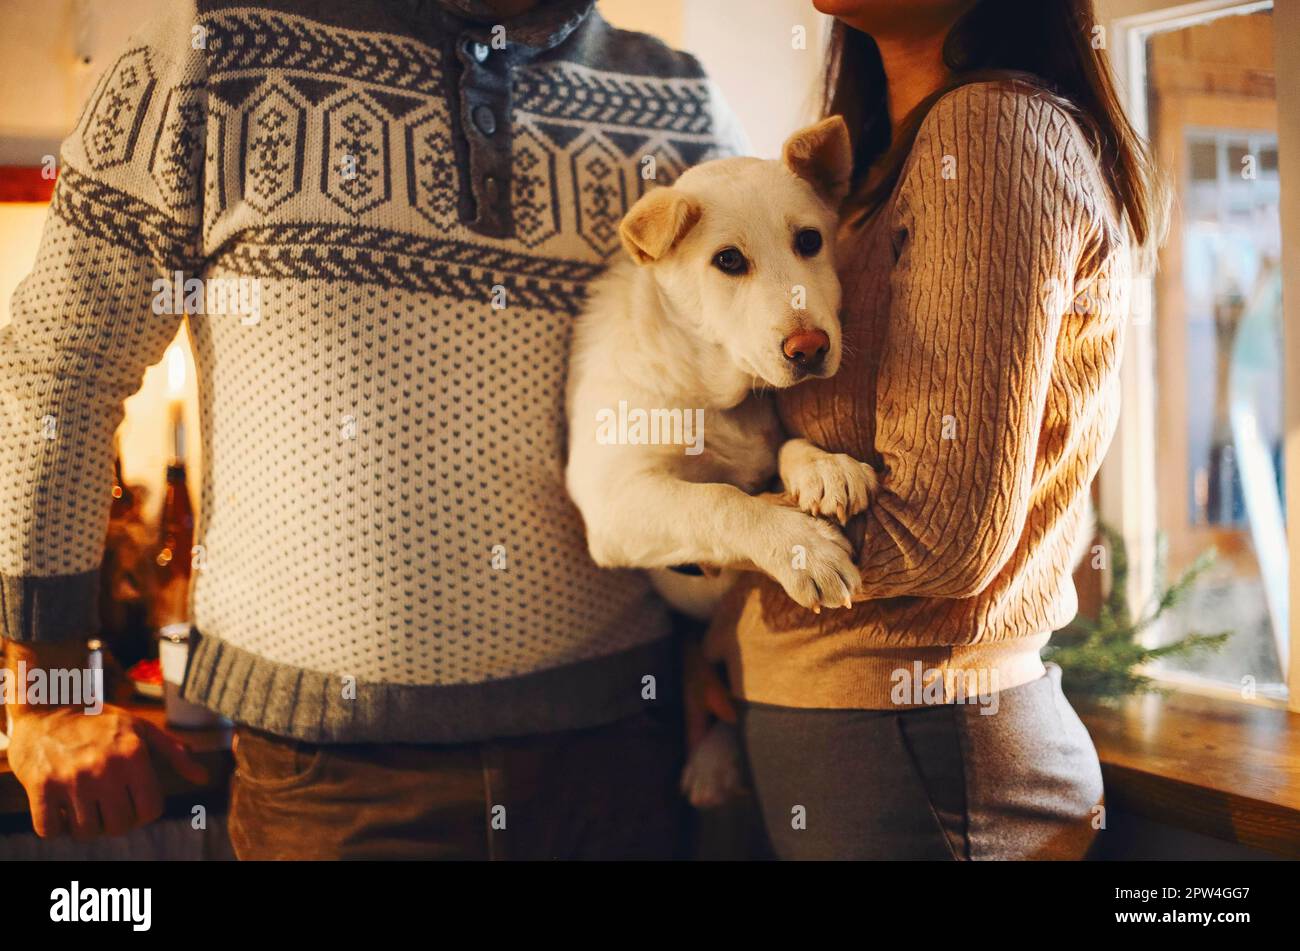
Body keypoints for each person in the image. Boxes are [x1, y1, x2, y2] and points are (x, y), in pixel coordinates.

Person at [0, 0, 747, 859]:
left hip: (625, 765)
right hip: (331, 789)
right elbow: (58, 367)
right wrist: (49, 694)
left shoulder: (682, 103)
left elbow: (739, 396)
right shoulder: (216, 44)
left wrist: (712, 628)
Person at [704, 0, 1165, 860]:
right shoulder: (877, 164)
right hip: (865, 737)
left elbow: (944, 533)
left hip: (917, 741)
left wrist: (706, 532)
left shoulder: (988, 132)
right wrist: (729, 622)